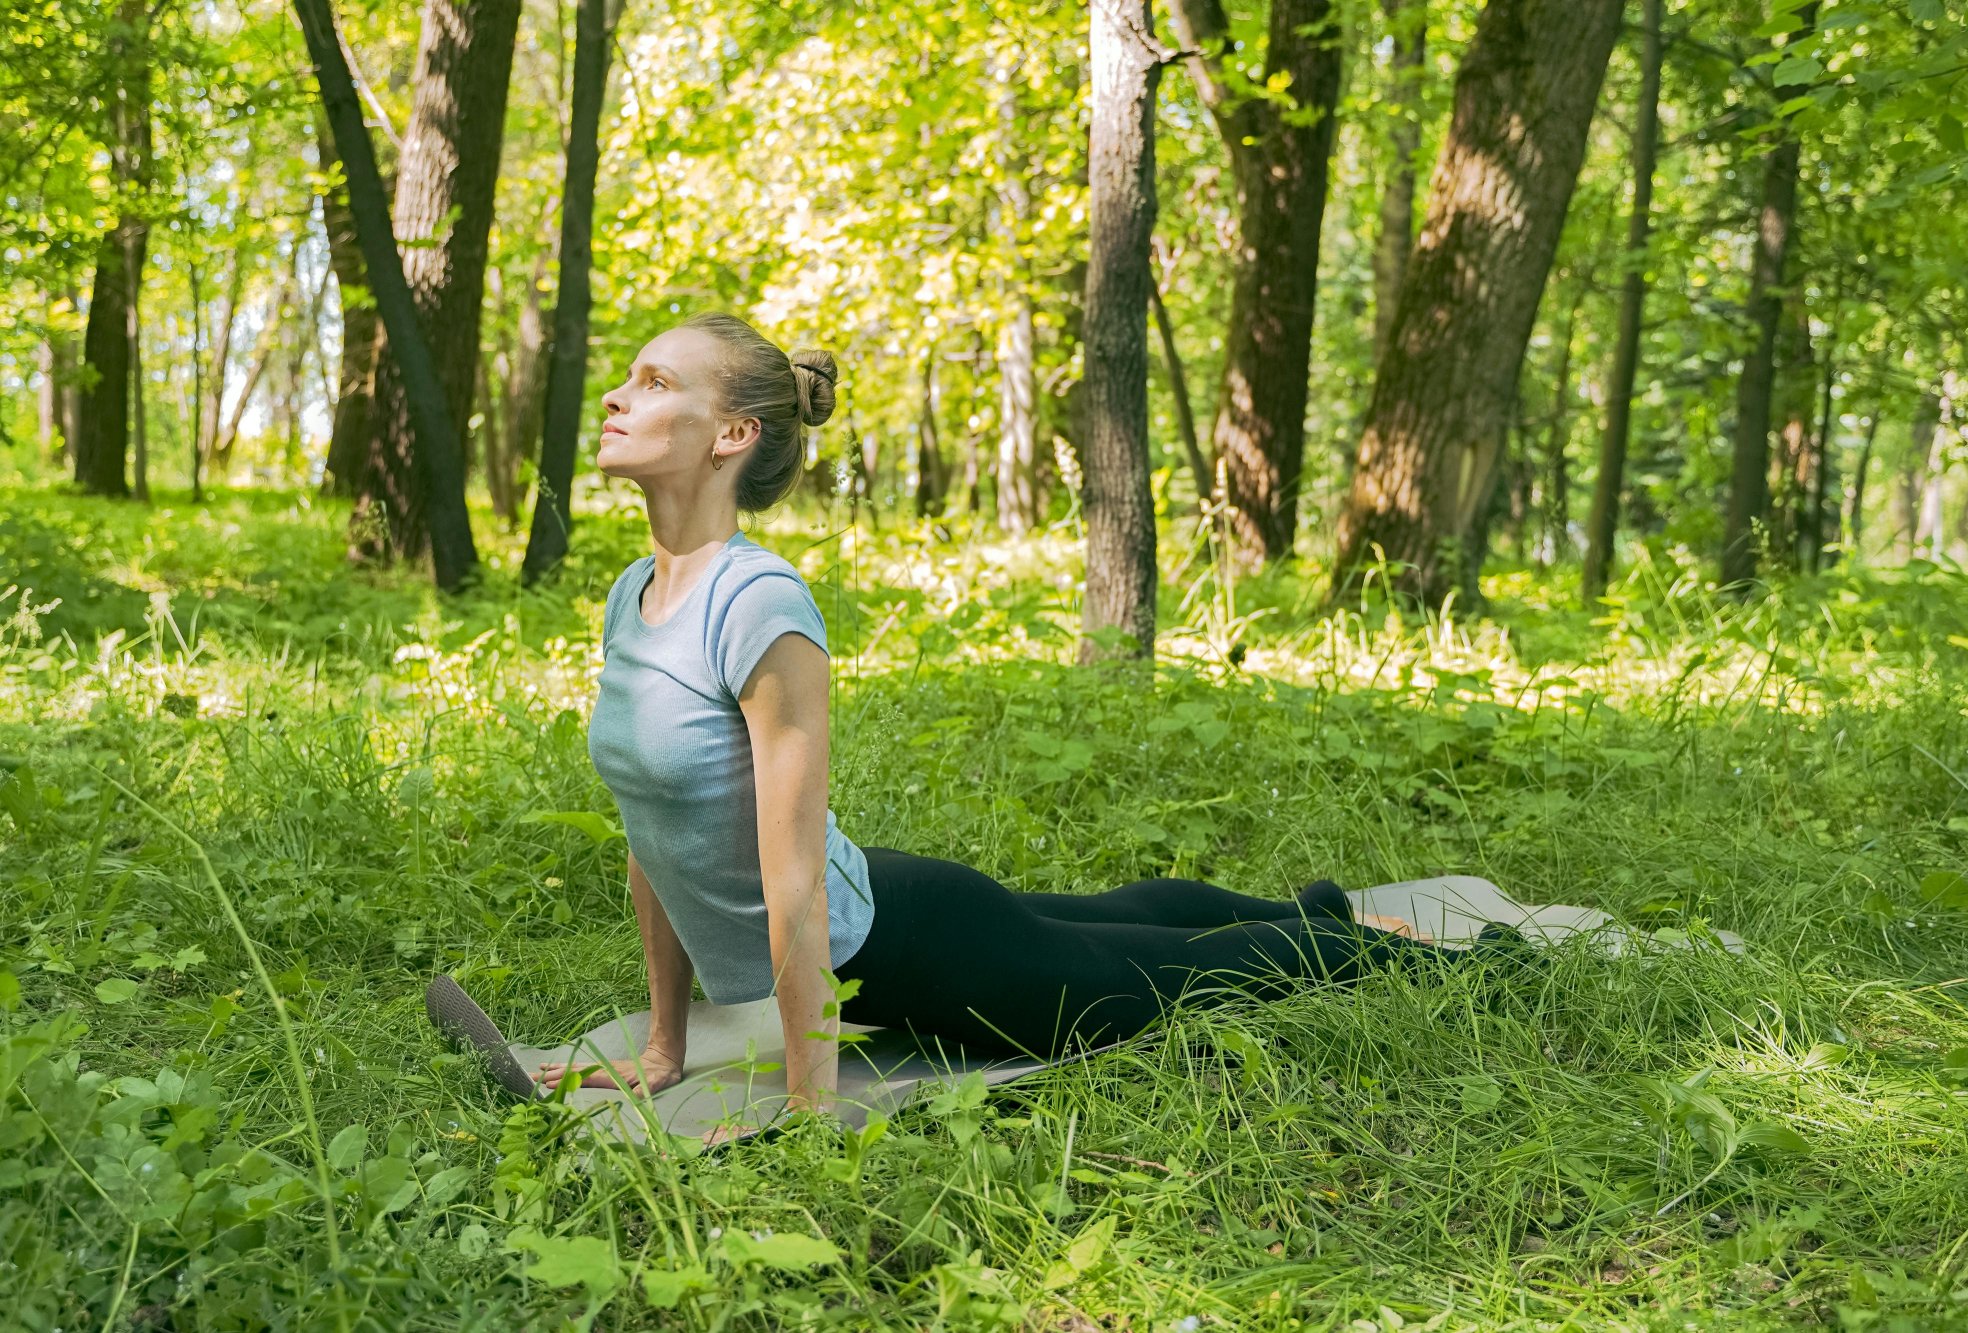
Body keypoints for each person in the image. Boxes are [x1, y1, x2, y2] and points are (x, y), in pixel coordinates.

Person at [537, 313, 1518, 1137]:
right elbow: (651, 834)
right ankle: (1318, 906)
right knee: (1117, 913)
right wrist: (662, 1051)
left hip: (913, 949)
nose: (618, 396)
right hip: (882, 900)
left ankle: (1412, 953)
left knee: (1172, 981)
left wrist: (807, 1103)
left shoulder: (757, 605)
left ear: (731, 434)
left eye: (654, 380)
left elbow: (791, 881)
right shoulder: (635, 596)